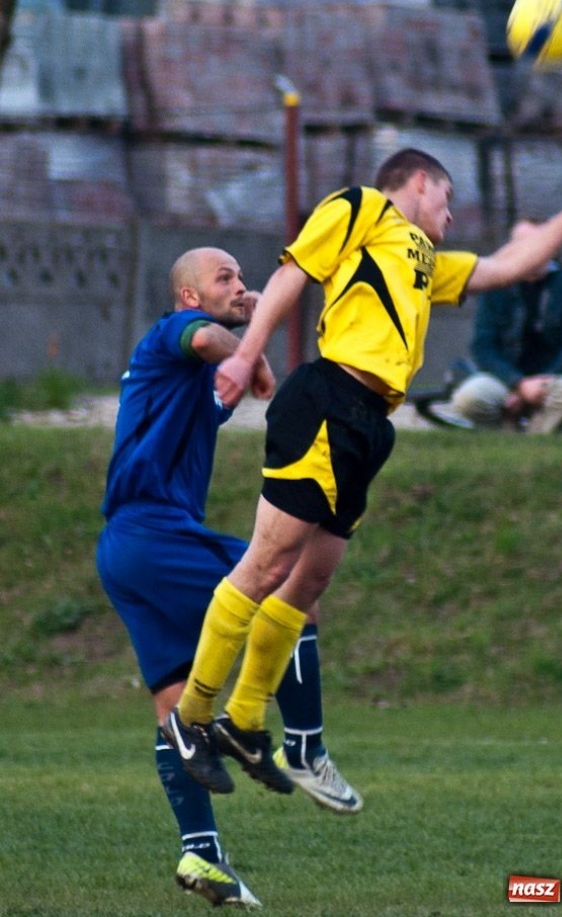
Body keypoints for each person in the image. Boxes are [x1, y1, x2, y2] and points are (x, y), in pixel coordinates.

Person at [163, 151, 562, 816]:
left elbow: (510, 267)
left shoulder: (424, 260)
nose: (452, 209)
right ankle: (191, 717)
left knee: (309, 581)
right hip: (326, 399)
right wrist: (246, 354)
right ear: (419, 182)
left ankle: (242, 722)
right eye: (447, 194)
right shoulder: (361, 208)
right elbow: (294, 270)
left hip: (370, 424)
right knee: (265, 565)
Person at [96, 247, 363, 910]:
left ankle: (202, 856)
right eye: (226, 279)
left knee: (174, 705)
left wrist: (241, 373)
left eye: (245, 279)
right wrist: (254, 353)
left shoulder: (179, 380)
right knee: (293, 586)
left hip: (125, 551)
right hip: (152, 534)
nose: (241, 288)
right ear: (188, 296)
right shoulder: (172, 333)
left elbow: (210, 373)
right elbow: (207, 339)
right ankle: (301, 746)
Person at [447, 226, 562, 432]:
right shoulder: (495, 287)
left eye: (537, 245)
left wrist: (537, 386)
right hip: (505, 380)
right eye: (523, 245)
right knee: (467, 399)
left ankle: (537, 437)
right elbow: (483, 347)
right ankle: (507, 436)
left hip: (554, 382)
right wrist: (518, 384)